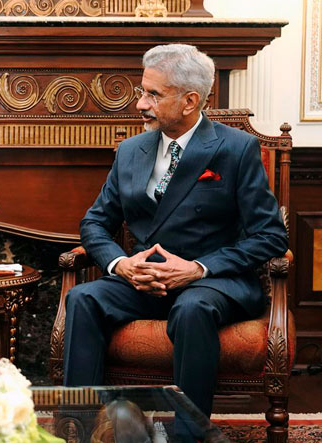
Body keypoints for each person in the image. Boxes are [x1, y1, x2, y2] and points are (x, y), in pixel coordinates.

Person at [62, 44, 288, 420]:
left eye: (153, 94)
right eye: (142, 91)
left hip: (213, 284)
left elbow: (271, 236)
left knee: (192, 308)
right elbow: (95, 223)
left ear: (190, 101)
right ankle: (81, 426)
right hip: (143, 282)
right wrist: (120, 264)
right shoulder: (130, 150)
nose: (140, 104)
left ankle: (189, 432)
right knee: (83, 298)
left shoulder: (236, 149)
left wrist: (198, 268)